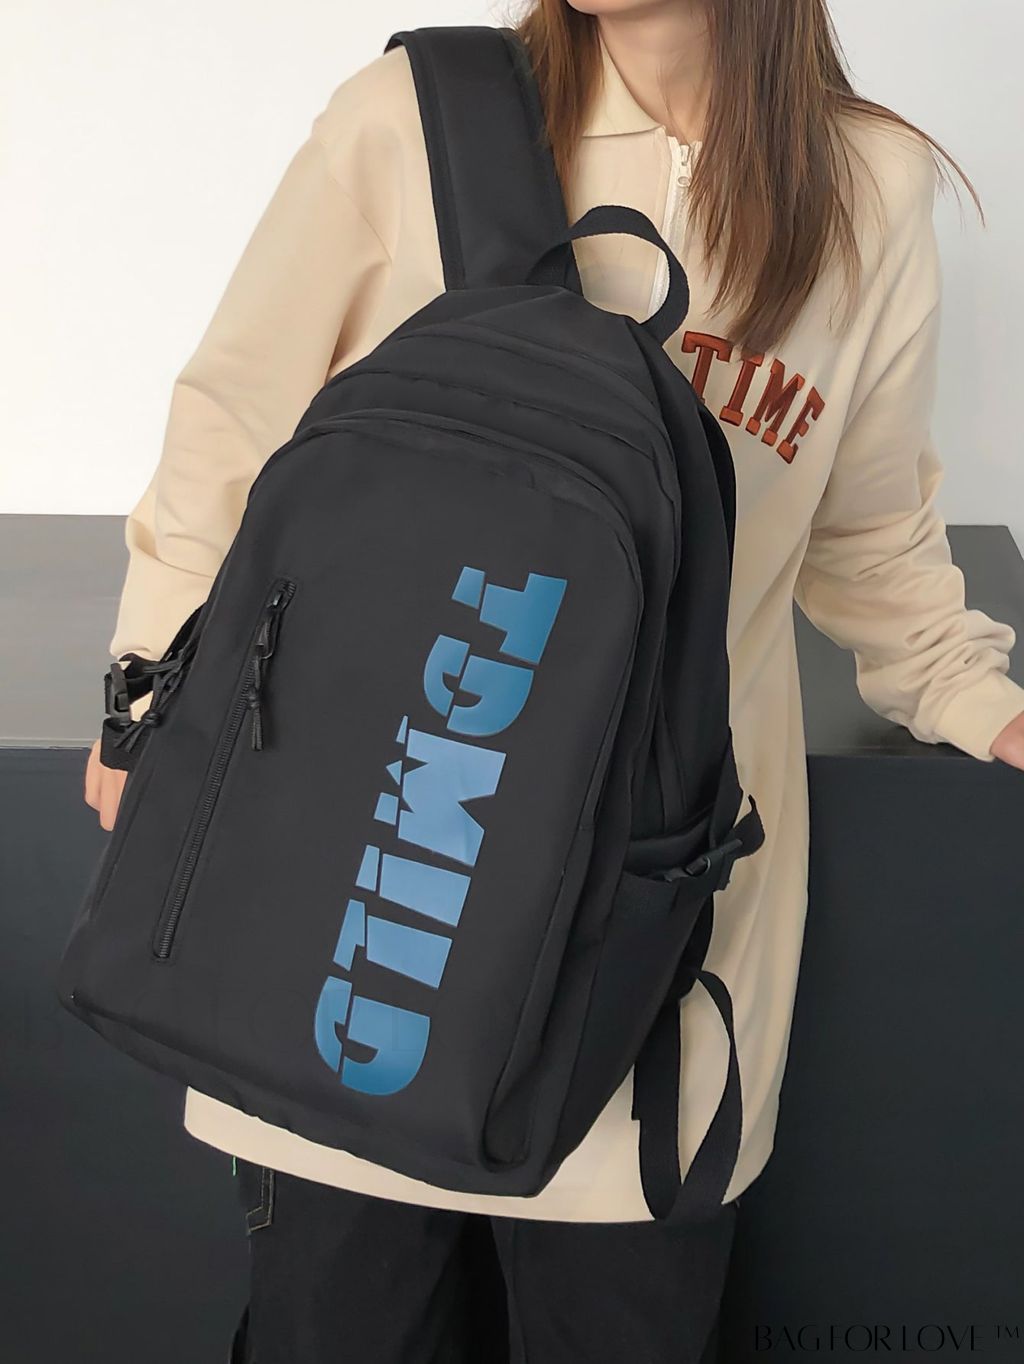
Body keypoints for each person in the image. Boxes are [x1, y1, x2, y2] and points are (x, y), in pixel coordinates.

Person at [84, 1, 1024, 1360]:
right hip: (364, 904)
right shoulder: (415, 121)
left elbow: (867, 535)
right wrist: (150, 700)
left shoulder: (868, 189)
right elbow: (231, 429)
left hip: (652, 939)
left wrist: (976, 695)